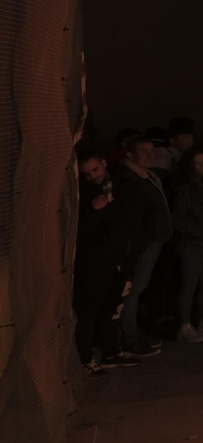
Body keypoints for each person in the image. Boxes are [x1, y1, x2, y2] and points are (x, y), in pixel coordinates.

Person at [73, 153, 140, 373]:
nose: (93, 176)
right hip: (96, 263)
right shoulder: (83, 194)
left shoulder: (122, 185)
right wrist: (94, 210)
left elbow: (133, 219)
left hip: (121, 258)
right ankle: (86, 359)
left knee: (113, 308)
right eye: (87, 174)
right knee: (89, 311)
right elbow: (81, 232)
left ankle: (111, 351)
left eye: (95, 170)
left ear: (103, 163)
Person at [112, 136, 172, 356]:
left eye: (151, 150)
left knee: (138, 288)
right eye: (144, 151)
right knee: (133, 289)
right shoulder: (129, 179)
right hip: (142, 244)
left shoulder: (148, 176)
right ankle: (129, 337)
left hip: (152, 241)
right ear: (130, 155)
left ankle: (130, 334)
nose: (150, 154)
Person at [169, 147, 203, 342]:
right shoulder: (185, 188)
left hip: (201, 241)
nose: (202, 165)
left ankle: (202, 322)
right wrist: (202, 233)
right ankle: (185, 326)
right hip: (190, 243)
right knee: (190, 284)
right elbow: (178, 219)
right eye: (197, 162)